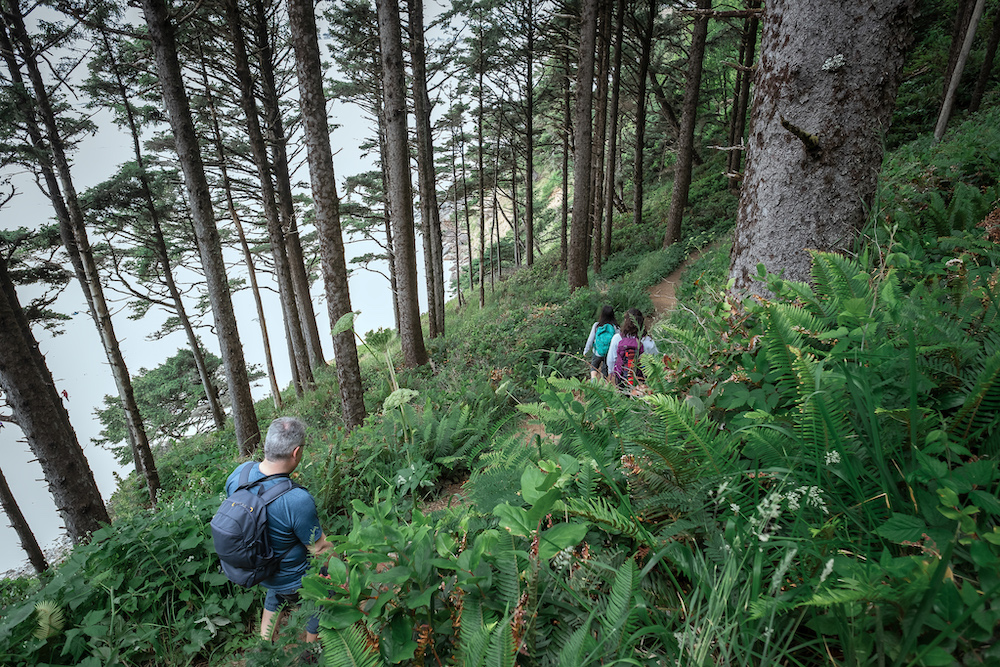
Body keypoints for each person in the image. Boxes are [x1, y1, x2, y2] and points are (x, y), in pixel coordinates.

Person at [224, 417, 333, 643]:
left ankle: (265, 647)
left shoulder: (240, 474)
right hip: (295, 580)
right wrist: (342, 564)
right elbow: (320, 549)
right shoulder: (296, 499)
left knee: (276, 589)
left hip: (258, 570)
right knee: (326, 589)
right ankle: (312, 649)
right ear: (296, 452)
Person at [608, 309, 645, 389]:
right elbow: (655, 358)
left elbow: (611, 359)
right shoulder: (647, 340)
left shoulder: (617, 338)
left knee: (622, 397)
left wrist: (611, 372)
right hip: (641, 378)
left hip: (621, 376)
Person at [583, 305, 618, 380]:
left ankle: (593, 381)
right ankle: (604, 385)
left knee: (594, 366)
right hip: (608, 353)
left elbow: (590, 339)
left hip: (597, 352)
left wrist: (586, 350)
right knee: (605, 369)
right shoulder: (615, 327)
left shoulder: (597, 325)